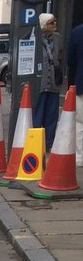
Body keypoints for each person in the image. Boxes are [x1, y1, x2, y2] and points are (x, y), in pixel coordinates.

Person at [33, 13, 61, 150]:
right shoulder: (36, 39)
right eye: (51, 22)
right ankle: (37, 144)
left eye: (55, 22)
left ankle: (49, 143)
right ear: (43, 25)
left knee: (52, 115)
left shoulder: (57, 38)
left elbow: (58, 58)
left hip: (53, 82)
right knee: (38, 113)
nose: (55, 24)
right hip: (41, 82)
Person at [66, 18, 83, 171]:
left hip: (82, 82)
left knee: (80, 122)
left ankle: (80, 157)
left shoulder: (77, 31)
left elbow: (70, 59)